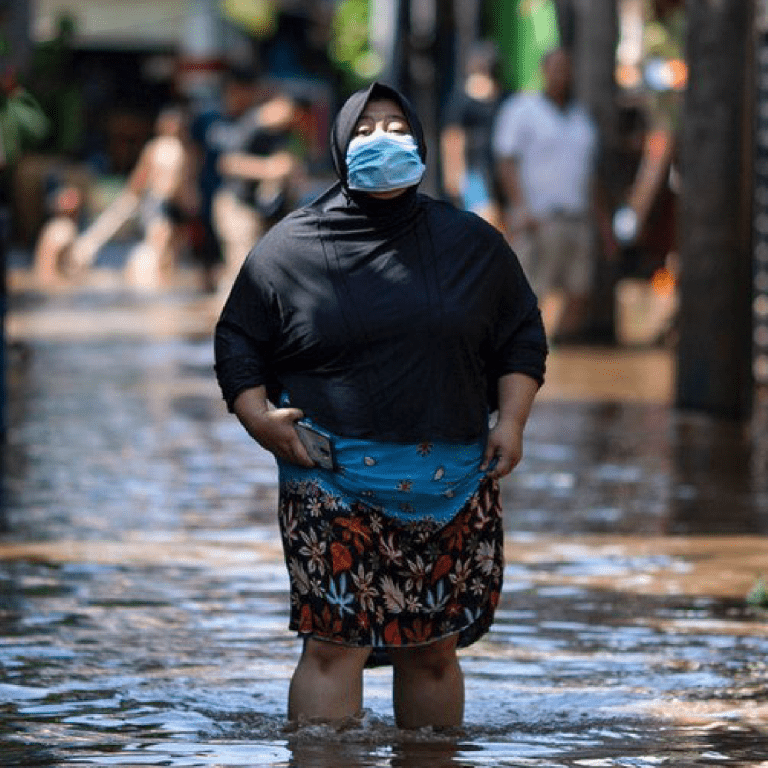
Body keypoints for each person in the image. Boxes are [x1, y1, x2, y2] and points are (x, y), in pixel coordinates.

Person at [214, 82, 547, 729]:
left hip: (452, 482)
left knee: (432, 653)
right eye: (365, 129)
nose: (382, 140)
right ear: (339, 147)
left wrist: (513, 419)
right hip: (331, 478)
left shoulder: (473, 244)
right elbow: (238, 339)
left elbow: (521, 335)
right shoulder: (290, 247)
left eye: (396, 127)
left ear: (420, 143)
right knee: (333, 649)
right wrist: (257, 418)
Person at [493, 47, 600, 341]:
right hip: (540, 218)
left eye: (566, 68)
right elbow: (506, 161)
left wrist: (602, 224)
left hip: (577, 218)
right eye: (555, 67)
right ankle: (527, 352)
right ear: (543, 70)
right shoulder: (521, 110)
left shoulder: (581, 118)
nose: (561, 74)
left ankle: (556, 352)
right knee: (532, 289)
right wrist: (521, 208)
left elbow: (590, 175)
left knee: (579, 290)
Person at [191, 66, 301, 294]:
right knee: (233, 268)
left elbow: (286, 160)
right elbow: (226, 162)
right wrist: (269, 169)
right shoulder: (218, 120)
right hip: (228, 201)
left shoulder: (264, 125)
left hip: (258, 206)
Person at [71, 106, 196, 290]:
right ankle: (155, 284)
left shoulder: (184, 150)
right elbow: (142, 175)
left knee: (171, 247)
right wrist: (131, 195)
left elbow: (185, 180)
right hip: (157, 201)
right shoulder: (157, 147)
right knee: (159, 242)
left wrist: (189, 204)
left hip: (173, 203)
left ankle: (164, 285)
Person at [440, 40, 505, 231]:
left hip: (498, 168)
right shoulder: (462, 100)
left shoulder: (502, 96)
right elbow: (453, 138)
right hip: (474, 169)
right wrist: (453, 174)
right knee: (484, 220)